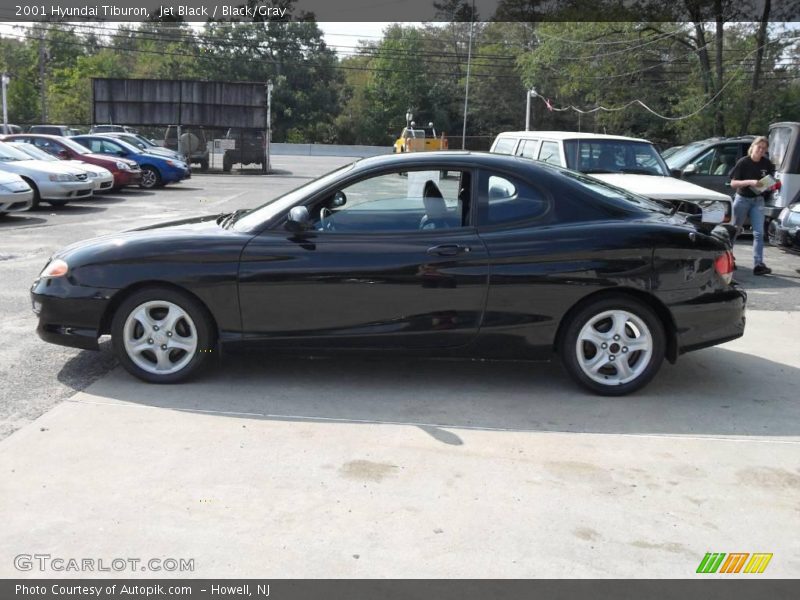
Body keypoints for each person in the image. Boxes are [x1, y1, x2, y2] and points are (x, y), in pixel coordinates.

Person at [729, 136, 776, 276]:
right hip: (742, 198)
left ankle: (758, 264)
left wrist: (770, 186)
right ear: (753, 147)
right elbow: (733, 183)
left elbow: (770, 181)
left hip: (758, 200)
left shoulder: (767, 164)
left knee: (759, 233)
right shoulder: (743, 162)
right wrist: (750, 182)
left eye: (764, 148)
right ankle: (728, 258)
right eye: (759, 147)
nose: (760, 150)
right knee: (734, 230)